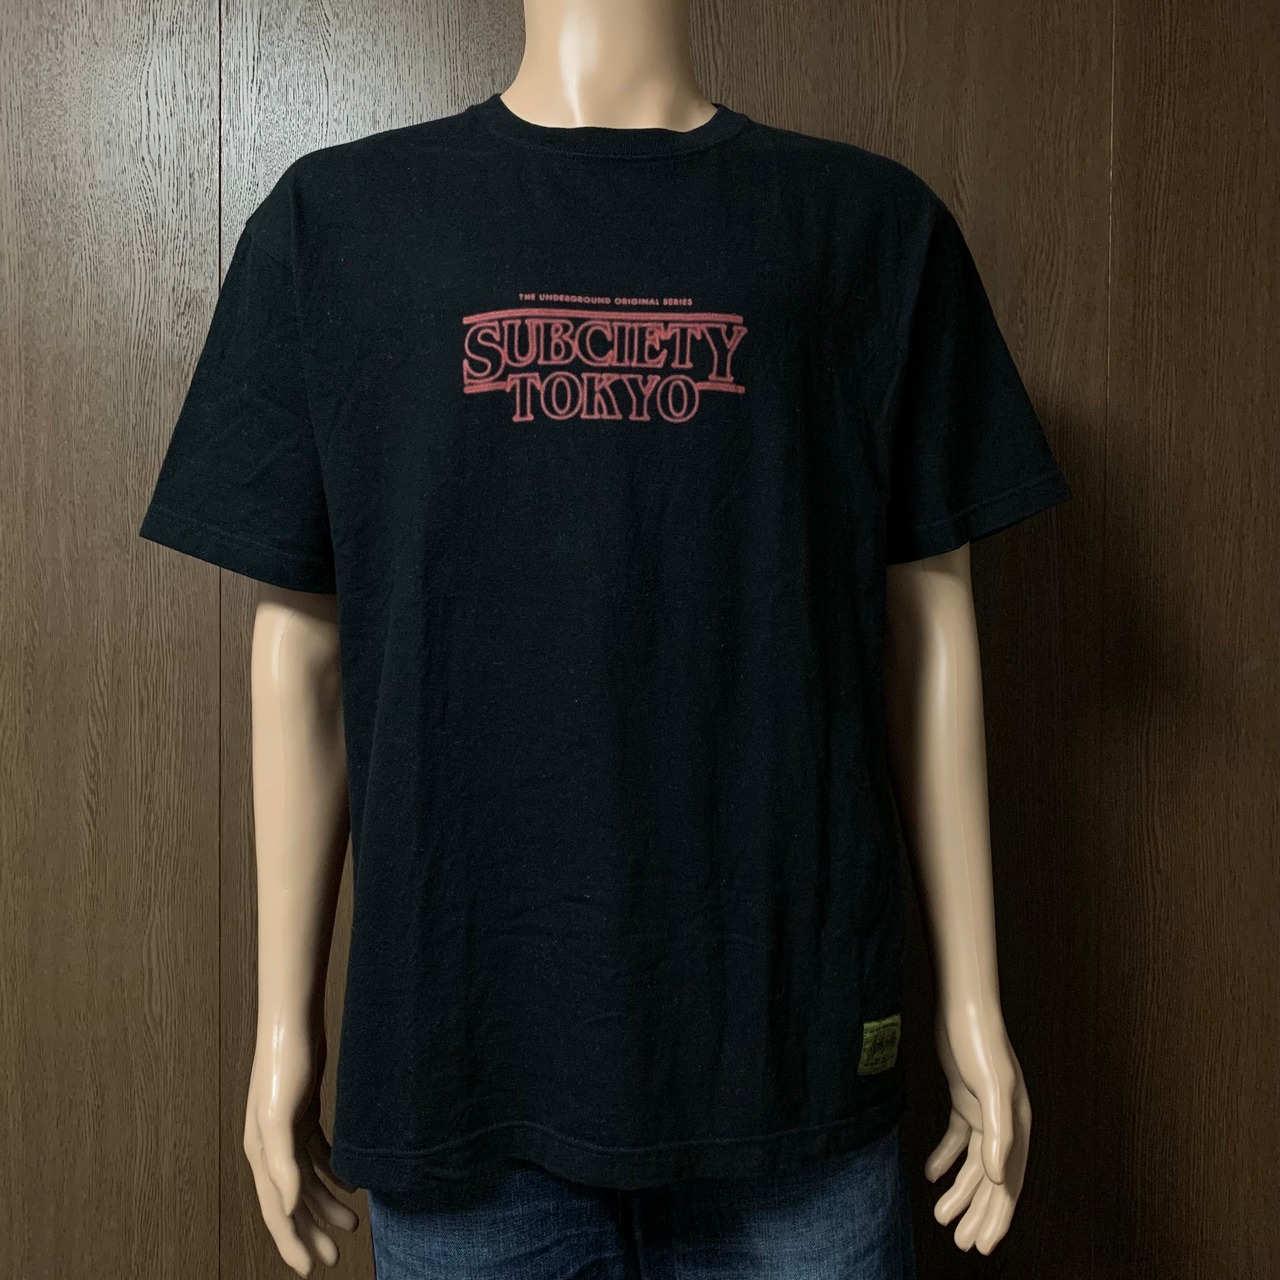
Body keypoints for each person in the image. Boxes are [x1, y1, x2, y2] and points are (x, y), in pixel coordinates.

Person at [138, 1, 1068, 1274]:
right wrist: (283, 1030)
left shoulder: (865, 227)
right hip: (462, 1072)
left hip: (787, 1065)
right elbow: (301, 649)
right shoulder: (335, 222)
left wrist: (972, 1002)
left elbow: (929, 625)